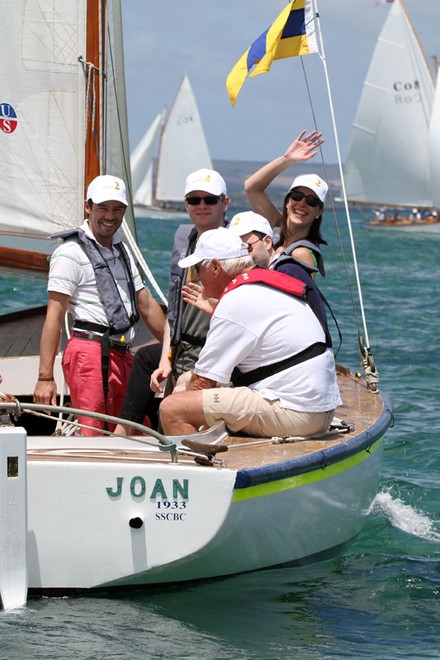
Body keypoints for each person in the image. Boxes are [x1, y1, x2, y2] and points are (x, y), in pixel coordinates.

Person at [159, 227, 341, 438]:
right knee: (183, 383)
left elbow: (203, 382)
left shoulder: (235, 301)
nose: (196, 278)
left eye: (197, 269)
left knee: (172, 409)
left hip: (296, 412)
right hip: (317, 407)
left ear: (216, 267)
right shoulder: (260, 283)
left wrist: (183, 408)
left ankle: (197, 466)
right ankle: (204, 446)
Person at [33, 174, 165, 436]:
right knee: (93, 430)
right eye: (103, 208)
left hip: (124, 353)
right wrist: (45, 377)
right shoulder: (70, 253)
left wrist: (173, 350)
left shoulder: (123, 251)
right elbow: (55, 315)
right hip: (89, 351)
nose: (110, 216)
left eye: (117, 209)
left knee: (136, 430)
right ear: (88, 207)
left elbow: (146, 304)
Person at [114, 168, 230, 434]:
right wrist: (167, 357)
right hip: (182, 348)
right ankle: (122, 436)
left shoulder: (235, 246)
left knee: (178, 417)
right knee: (147, 358)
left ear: (225, 203)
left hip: (212, 354)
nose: (202, 206)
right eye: (194, 200)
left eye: (210, 200)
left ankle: (130, 437)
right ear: (186, 204)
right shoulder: (186, 243)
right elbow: (174, 313)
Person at [245, 130, 328, 278]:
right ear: (287, 201)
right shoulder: (275, 225)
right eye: (297, 196)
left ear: (319, 212)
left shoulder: (302, 254)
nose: (302, 203)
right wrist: (286, 159)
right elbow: (252, 187)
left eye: (311, 201)